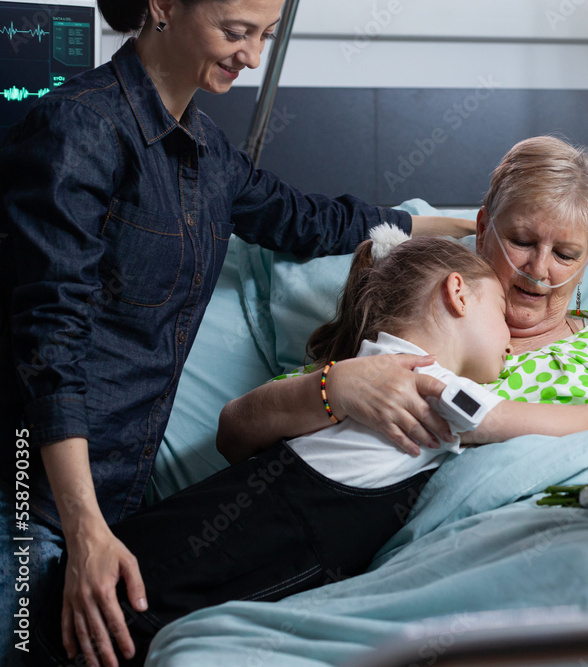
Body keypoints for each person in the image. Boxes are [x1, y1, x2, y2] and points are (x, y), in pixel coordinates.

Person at [0, 1, 472, 665]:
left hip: (118, 501)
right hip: (32, 501)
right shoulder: (76, 128)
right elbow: (49, 349)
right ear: (162, 7)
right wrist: (82, 529)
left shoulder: (208, 155)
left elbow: (303, 218)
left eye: (265, 36)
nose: (251, 56)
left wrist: (442, 227)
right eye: (235, 31)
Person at [37, 232, 588, 665]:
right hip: (245, 539)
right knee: (102, 623)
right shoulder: (436, 387)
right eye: (499, 312)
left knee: (101, 626)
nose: (511, 337)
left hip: (240, 532)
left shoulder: (371, 362)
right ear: (459, 295)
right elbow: (563, 421)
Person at [216, 135, 588, 455]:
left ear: (587, 261)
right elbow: (235, 431)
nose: (539, 270)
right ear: (481, 228)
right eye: (522, 241)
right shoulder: (423, 318)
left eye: (566, 254)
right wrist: (332, 387)